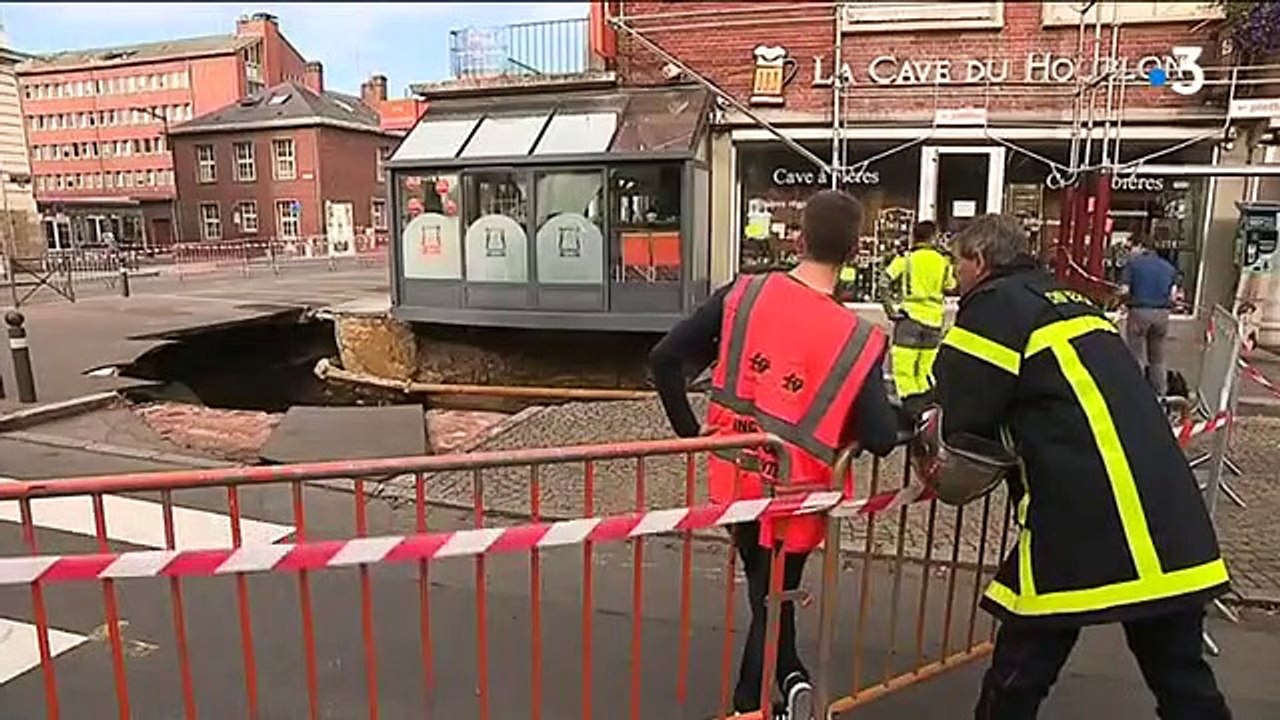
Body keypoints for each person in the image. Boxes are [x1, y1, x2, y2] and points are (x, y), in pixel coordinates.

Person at [930, 214, 1232, 720]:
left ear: (979, 261)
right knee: (1182, 679)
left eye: (957, 263)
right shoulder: (1071, 300)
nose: (954, 276)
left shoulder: (995, 305)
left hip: (1085, 518)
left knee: (1020, 671)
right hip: (1163, 511)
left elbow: (964, 409)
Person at [648, 189, 900, 719]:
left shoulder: (745, 293)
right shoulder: (857, 338)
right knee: (776, 593)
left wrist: (694, 435)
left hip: (736, 479)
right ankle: (761, 697)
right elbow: (879, 436)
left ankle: (785, 681)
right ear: (854, 254)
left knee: (768, 593)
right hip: (799, 494)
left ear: (799, 238)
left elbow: (665, 359)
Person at [881, 220, 956, 414]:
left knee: (904, 370)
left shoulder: (906, 259)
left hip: (909, 319)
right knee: (926, 370)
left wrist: (891, 310)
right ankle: (926, 411)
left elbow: (884, 282)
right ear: (933, 237)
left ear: (914, 236)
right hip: (934, 321)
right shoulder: (943, 261)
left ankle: (910, 411)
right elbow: (950, 285)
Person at [1119, 234, 1181, 396]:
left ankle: (1136, 393)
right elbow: (1173, 295)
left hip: (1139, 312)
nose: (1130, 251)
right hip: (1162, 315)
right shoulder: (1168, 267)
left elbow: (1124, 290)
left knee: (1136, 355)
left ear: (1140, 246)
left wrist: (1122, 299)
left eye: (1131, 247)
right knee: (1157, 359)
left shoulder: (1133, 265)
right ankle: (1160, 394)